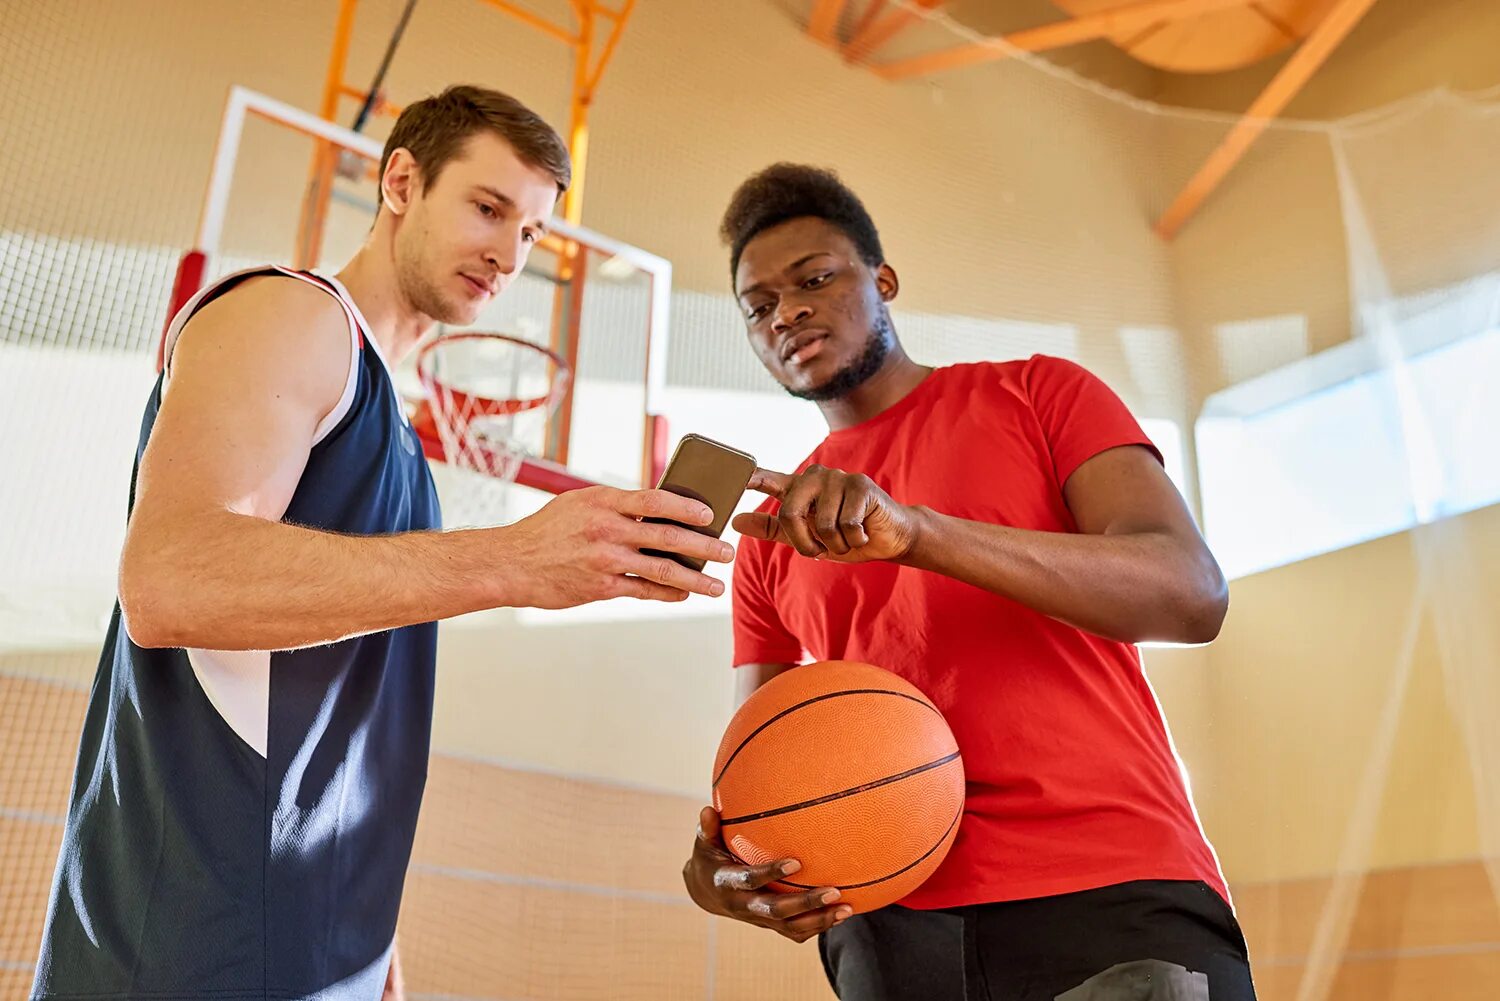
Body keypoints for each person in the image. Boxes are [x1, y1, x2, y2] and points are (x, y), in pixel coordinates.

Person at [31, 85, 733, 1001]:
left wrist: (368, 933)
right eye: (487, 208)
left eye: (529, 235)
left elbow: (335, 712)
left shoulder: (403, 446)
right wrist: (515, 558)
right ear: (401, 180)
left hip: (321, 941)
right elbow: (170, 578)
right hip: (198, 943)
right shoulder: (288, 316)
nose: (507, 253)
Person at [682, 164, 1255, 1000]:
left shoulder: (1038, 393)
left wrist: (920, 534)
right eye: (758, 305)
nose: (788, 312)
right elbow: (756, 763)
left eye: (814, 279)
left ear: (883, 282)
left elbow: (1190, 591)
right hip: (884, 930)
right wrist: (724, 870)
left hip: (1107, 888)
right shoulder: (774, 537)